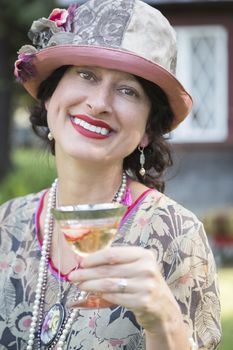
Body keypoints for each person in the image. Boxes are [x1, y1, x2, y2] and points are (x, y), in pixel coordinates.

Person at [0, 0, 221, 349]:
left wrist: (163, 319)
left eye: (127, 90)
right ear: (50, 95)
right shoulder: (7, 223)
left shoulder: (175, 236)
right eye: (86, 74)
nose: (100, 102)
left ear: (148, 130)